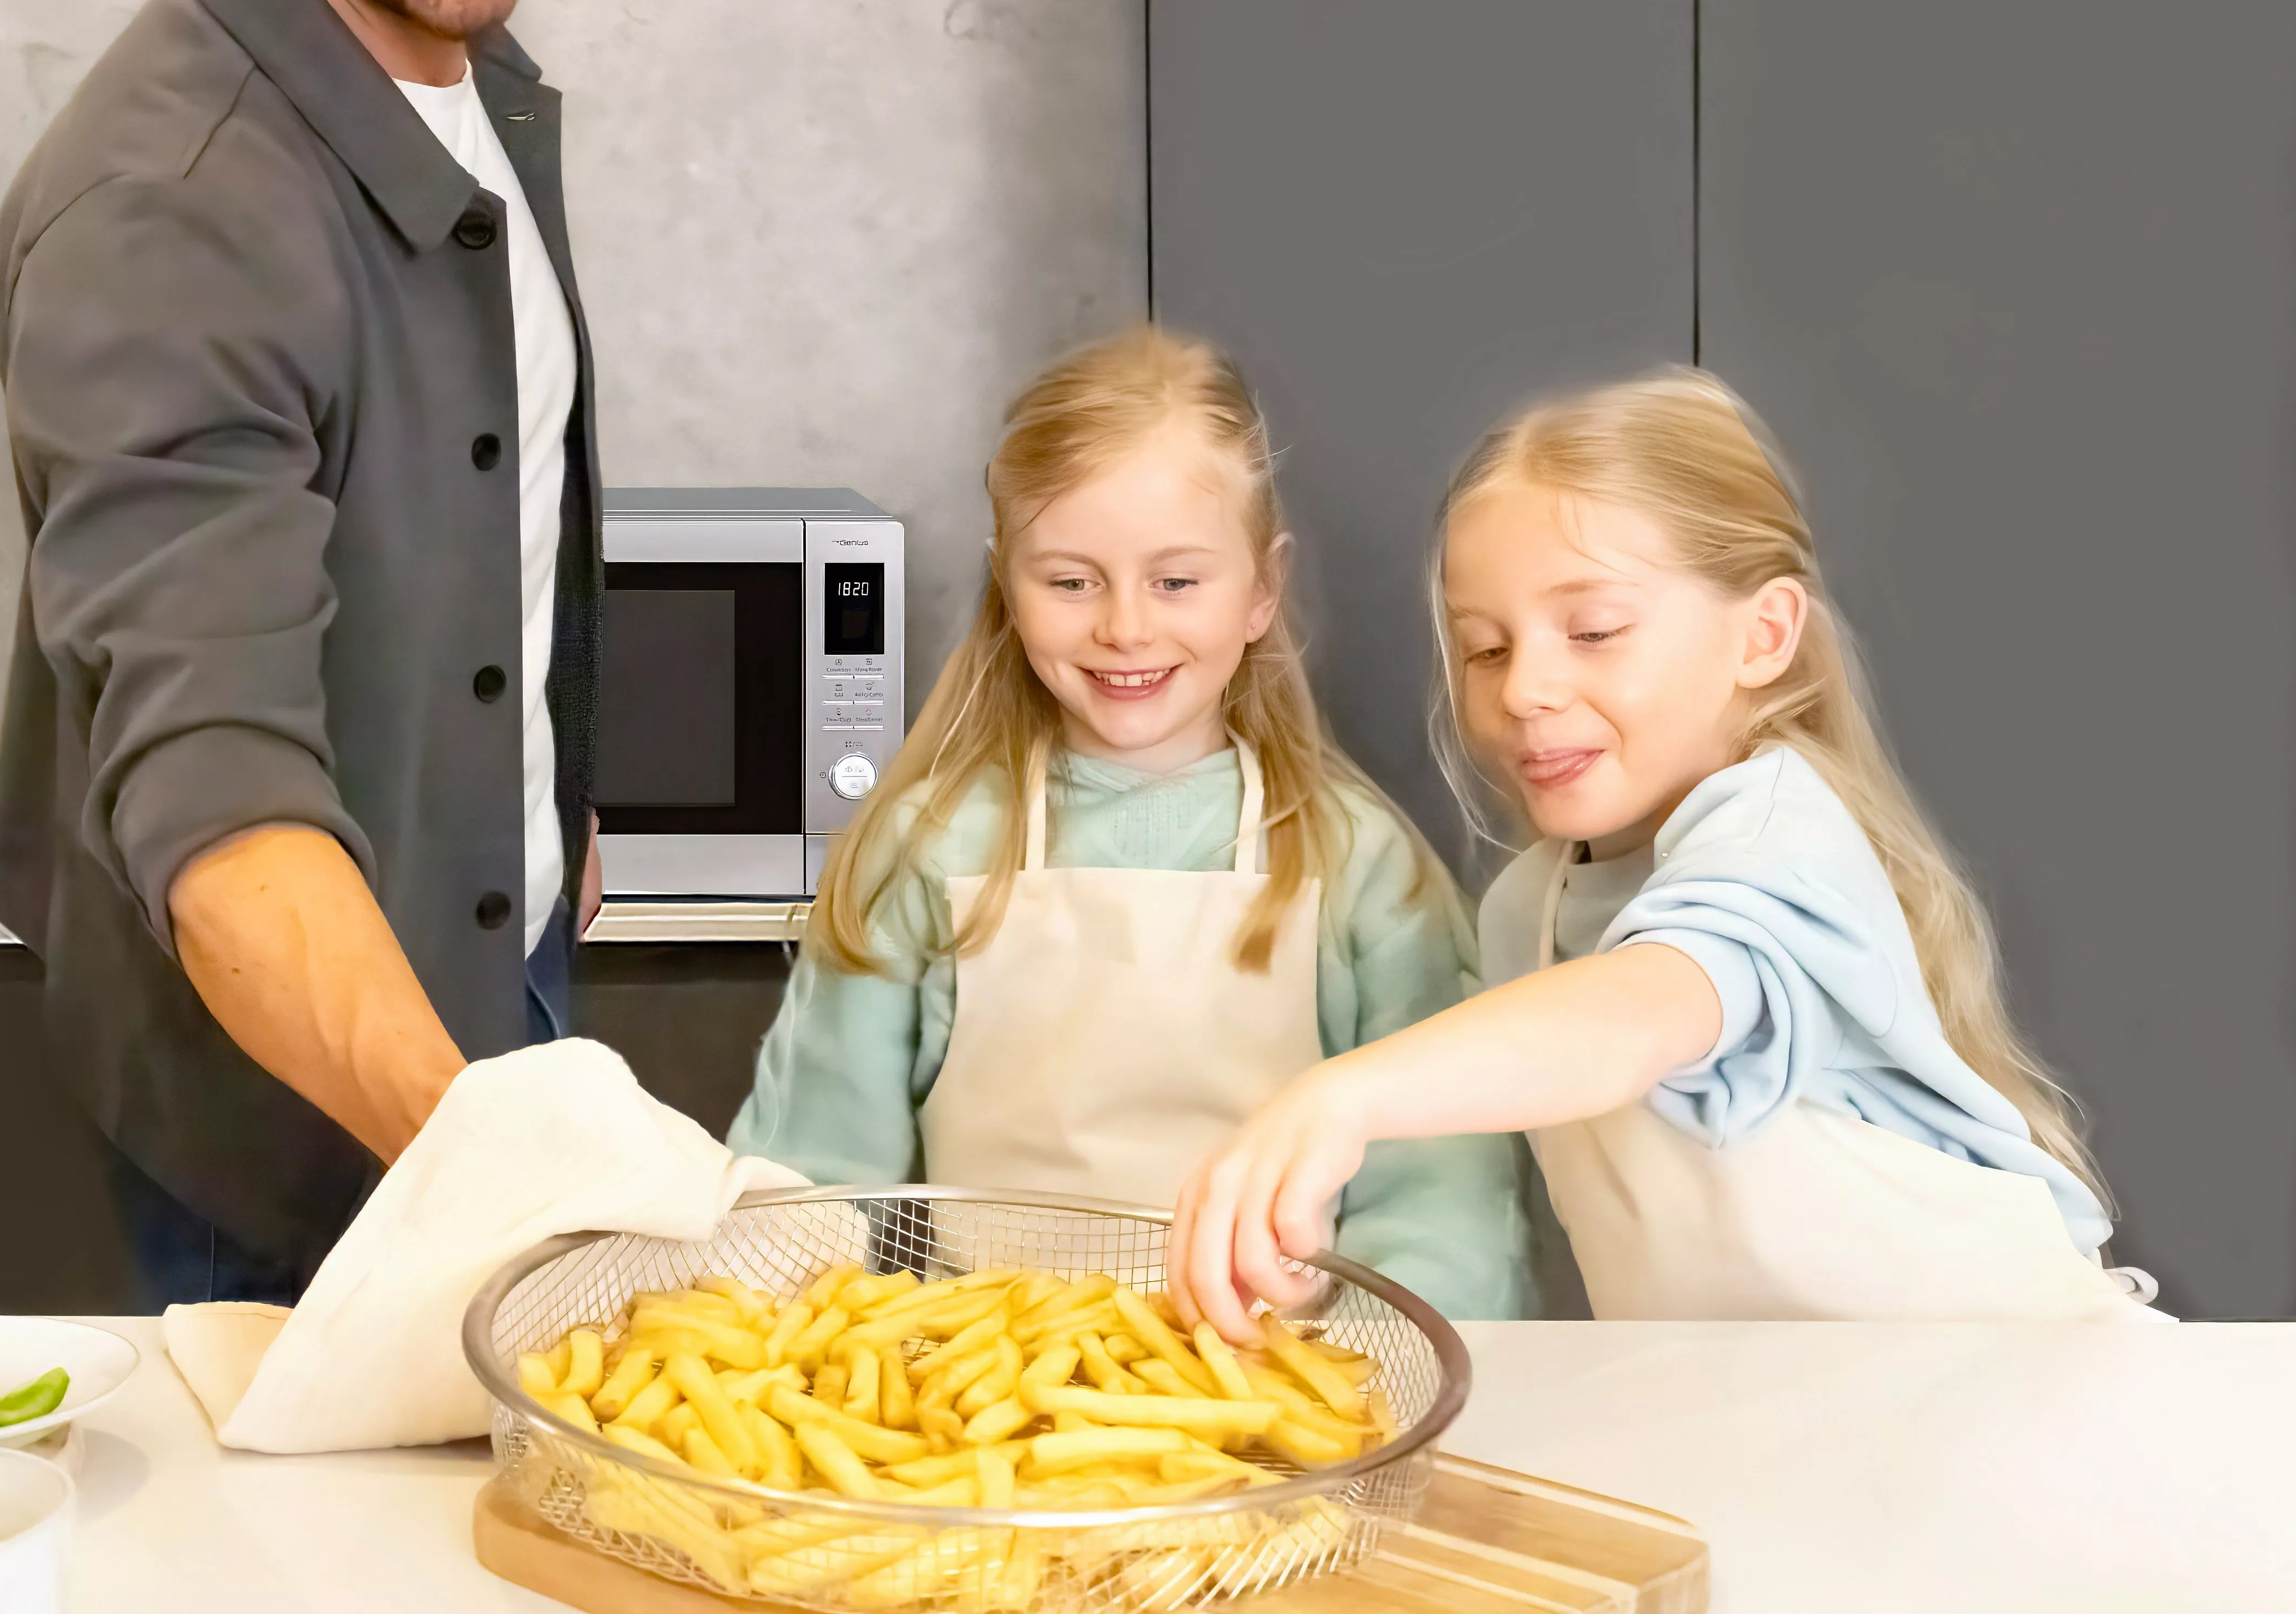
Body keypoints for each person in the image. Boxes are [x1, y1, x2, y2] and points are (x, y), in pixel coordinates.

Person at [0, 0, 600, 1309]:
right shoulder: (170, 211)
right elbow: (218, 781)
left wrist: (560, 822)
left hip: (500, 961)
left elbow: (501, 492)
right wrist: (490, 1149)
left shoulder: (469, 74)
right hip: (300, 1098)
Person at [1165, 369, 2153, 1334]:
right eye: (1486, 647)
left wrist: (1345, 1095)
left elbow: (1642, 1010)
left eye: (1593, 630)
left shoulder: (1777, 837)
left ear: (1762, 637)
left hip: (2008, 1386)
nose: (1525, 690)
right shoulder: (1525, 913)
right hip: (1796, 1420)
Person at [728, 327, 1536, 1320]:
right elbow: (815, 1180)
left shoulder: (1363, 868)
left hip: (1280, 1402)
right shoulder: (925, 848)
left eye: (1176, 581)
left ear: (1261, 590)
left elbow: (1440, 1209)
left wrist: (1365, 1389)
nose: (1125, 628)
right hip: (976, 1410)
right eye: (1071, 581)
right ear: (1008, 587)